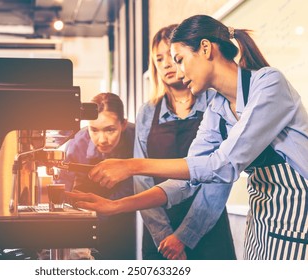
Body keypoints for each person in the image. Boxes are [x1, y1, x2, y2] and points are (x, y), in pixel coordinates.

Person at [67, 15, 308, 260]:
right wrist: (116, 205)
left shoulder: (269, 84)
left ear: (205, 48)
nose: (178, 72)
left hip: (298, 213)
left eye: (180, 60)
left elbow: (223, 166)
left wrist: (131, 166)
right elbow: (186, 180)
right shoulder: (217, 107)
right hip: (262, 216)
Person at [134, 24, 235, 260]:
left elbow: (219, 174)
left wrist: (185, 235)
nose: (166, 64)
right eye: (158, 59)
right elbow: (141, 179)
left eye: (172, 56)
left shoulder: (215, 101)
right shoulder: (147, 112)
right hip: (160, 238)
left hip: (209, 229)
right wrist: (164, 237)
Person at [60, 92, 136, 260]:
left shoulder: (137, 139)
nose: (101, 139)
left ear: (123, 124)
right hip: (88, 210)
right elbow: (63, 185)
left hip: (125, 211)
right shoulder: (77, 143)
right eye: (94, 130)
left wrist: (109, 208)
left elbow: (138, 185)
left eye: (110, 130)